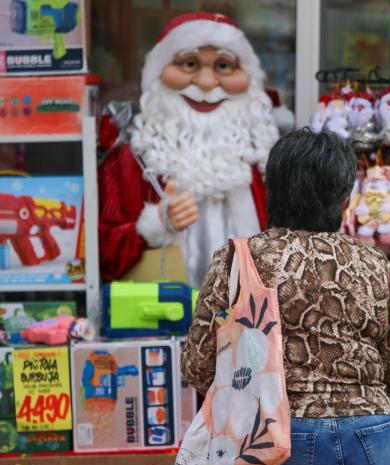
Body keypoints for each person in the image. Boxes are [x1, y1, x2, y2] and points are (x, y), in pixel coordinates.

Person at [181, 128, 390, 465]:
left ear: (272, 192)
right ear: (345, 200)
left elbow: (199, 367)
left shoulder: (241, 260)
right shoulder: (373, 261)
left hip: (281, 440)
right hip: (374, 436)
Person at [98, 12, 293, 287]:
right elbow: (99, 252)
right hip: (162, 321)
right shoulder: (130, 162)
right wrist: (154, 225)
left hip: (252, 324)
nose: (205, 83)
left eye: (223, 66)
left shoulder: (265, 162)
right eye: (189, 64)